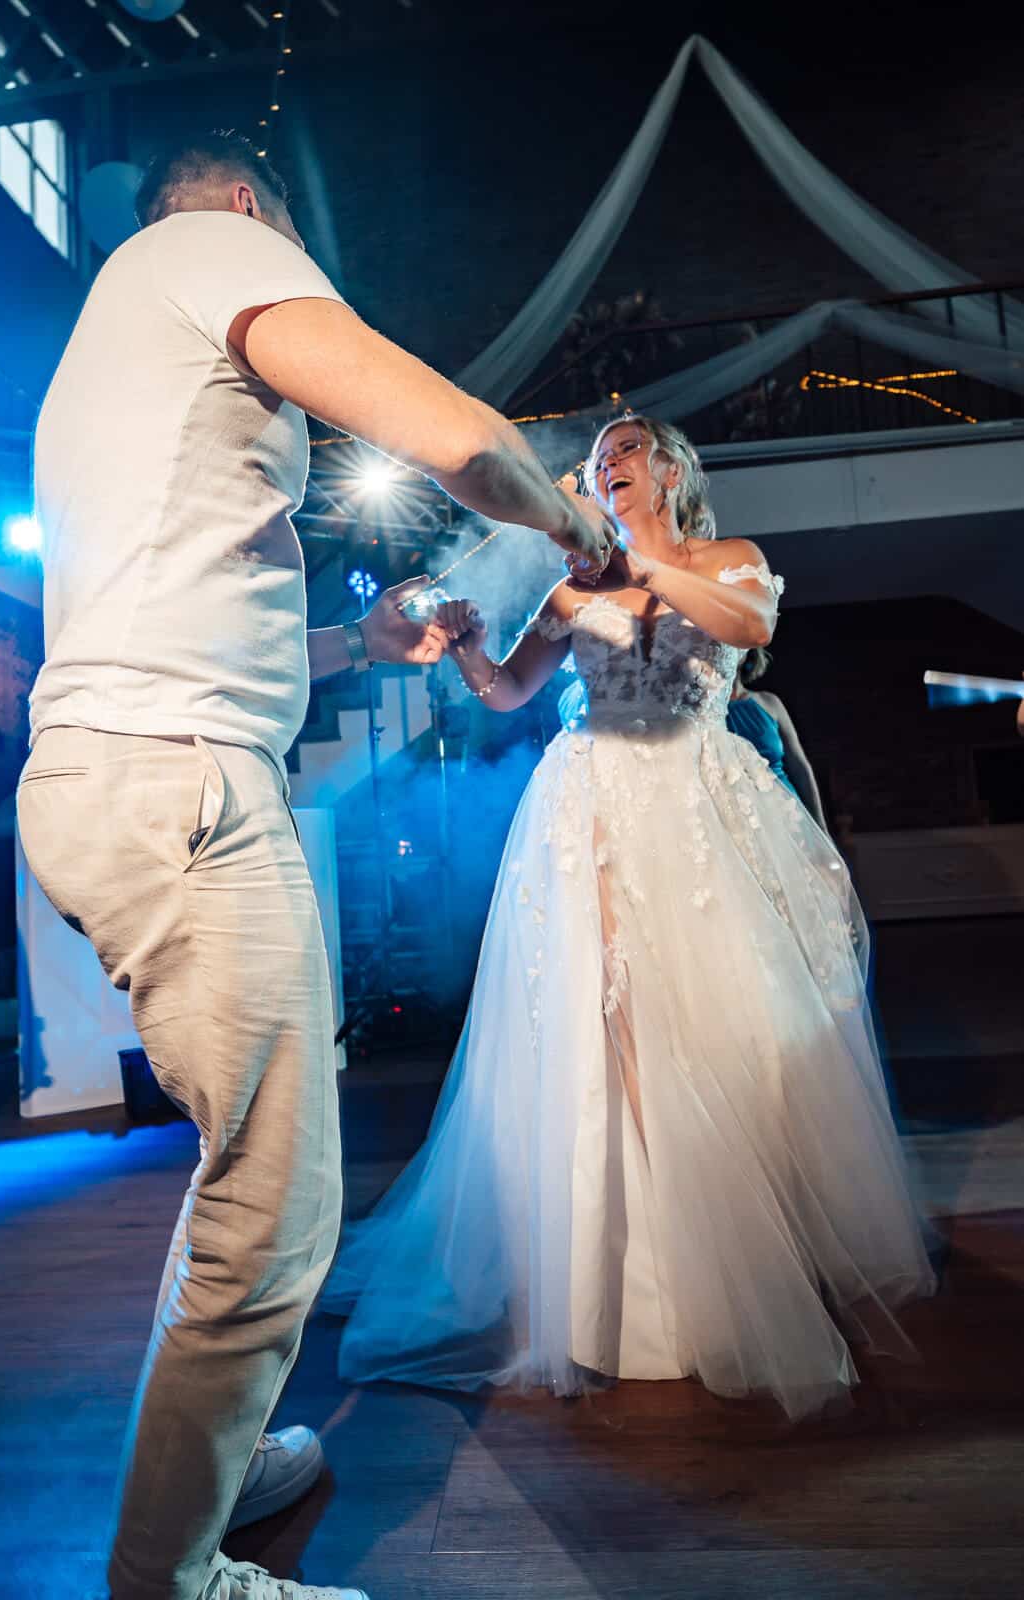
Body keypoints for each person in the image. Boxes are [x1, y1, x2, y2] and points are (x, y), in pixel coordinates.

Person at [16, 132, 614, 1600]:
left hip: (123, 768)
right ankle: (171, 1576)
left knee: (245, 1179)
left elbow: (179, 586)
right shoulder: (210, 247)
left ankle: (214, 1467)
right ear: (246, 206)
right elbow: (460, 440)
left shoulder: (115, 339)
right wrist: (569, 518)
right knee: (277, 1206)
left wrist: (360, 638)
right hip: (175, 780)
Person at [323, 414, 935, 1421]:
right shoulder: (570, 588)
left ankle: (749, 1241)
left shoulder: (725, 561)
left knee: (735, 1015)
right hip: (592, 804)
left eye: (625, 449)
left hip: (697, 797)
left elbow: (750, 627)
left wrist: (639, 563)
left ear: (670, 471)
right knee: (610, 1019)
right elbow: (507, 691)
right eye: (597, 454)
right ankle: (636, 1274)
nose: (605, 463)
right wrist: (470, 651)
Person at [726, 646, 829, 829]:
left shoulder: (770, 702)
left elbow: (800, 767)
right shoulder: (705, 713)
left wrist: (821, 827)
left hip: (787, 813)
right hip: (740, 818)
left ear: (748, 652)